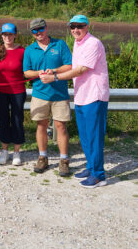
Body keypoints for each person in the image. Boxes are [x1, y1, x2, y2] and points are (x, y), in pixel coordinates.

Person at [40, 15, 109, 188]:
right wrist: (53, 70)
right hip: (82, 96)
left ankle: (99, 175)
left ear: (87, 26)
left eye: (80, 26)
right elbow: (72, 66)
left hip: (95, 96)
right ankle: (90, 167)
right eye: (72, 27)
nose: (75, 30)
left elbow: (81, 70)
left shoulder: (93, 43)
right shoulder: (78, 43)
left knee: (94, 137)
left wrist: (54, 77)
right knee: (85, 136)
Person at [23, 18, 72, 176]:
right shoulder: (30, 50)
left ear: (46, 28)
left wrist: (54, 71)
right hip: (39, 94)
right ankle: (43, 157)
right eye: (35, 31)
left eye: (41, 29)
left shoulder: (60, 44)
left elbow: (69, 66)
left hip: (59, 94)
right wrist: (39, 73)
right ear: (32, 33)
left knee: (61, 127)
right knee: (41, 126)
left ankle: (64, 160)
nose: (39, 33)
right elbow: (26, 72)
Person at [0, 23, 26, 166]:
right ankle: (4, 150)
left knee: (17, 120)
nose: (8, 37)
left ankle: (17, 151)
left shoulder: (22, 51)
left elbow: (25, 70)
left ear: (15, 35)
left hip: (18, 91)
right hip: (0, 91)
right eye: (5, 34)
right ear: (2, 35)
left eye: (10, 34)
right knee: (3, 120)